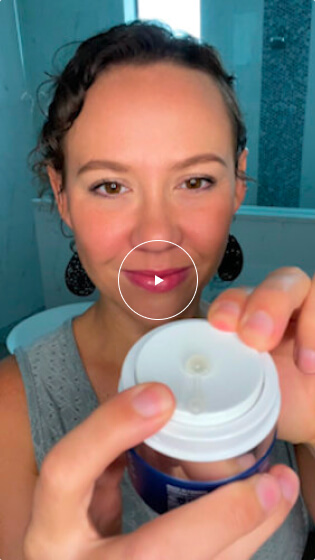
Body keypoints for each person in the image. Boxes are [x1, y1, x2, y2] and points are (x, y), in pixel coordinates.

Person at [0, 19, 315, 560]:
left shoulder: (280, 369)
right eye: (110, 186)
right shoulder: (11, 411)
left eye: (195, 181)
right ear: (62, 195)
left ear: (238, 182)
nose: (156, 234)